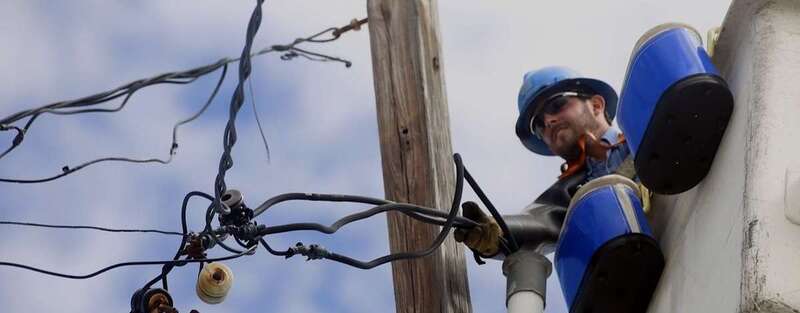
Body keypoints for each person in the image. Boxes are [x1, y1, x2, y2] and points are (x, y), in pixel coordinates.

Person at [455, 66, 648, 257]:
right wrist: (498, 232)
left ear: (596, 105)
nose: (548, 121)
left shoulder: (646, 132)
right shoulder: (573, 195)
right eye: (538, 124)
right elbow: (541, 221)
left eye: (557, 105)